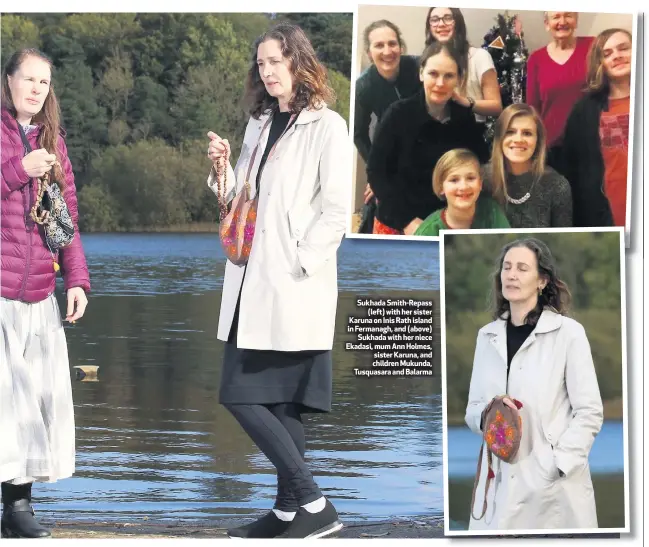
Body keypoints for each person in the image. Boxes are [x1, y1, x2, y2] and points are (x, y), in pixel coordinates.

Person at [204, 24, 348, 540]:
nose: (266, 72)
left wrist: (301, 262)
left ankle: (314, 501)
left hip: (293, 283)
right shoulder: (259, 124)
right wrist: (221, 168)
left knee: (243, 395)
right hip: (250, 281)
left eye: (275, 62)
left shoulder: (328, 126)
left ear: (298, 63)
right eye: (260, 63)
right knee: (276, 402)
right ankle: (289, 513)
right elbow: (235, 201)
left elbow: (337, 212)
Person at [1, 49, 90, 538]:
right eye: (28, 79)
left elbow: (65, 222)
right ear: (8, 81)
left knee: (34, 401)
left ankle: (18, 510)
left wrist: (75, 279)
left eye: (44, 82)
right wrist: (19, 169)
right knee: (4, 404)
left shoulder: (53, 143)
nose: (37, 88)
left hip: (38, 296)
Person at [465, 238, 603, 530]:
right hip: (498, 482)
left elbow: (589, 412)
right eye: (507, 267)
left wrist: (559, 464)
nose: (512, 275)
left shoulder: (569, 334)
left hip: (553, 490)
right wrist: (491, 412)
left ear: (542, 280)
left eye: (522, 268)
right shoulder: (486, 336)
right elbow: (473, 409)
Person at [366, 41, 489, 236]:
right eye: (433, 74)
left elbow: (480, 160)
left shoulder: (463, 116)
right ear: (421, 73)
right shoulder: (397, 114)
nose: (440, 83)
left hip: (443, 223)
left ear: (458, 79)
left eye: (449, 75)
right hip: (399, 220)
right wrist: (407, 221)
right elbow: (376, 173)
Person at [354, 20, 421, 234]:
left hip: (425, 144)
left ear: (401, 47)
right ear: (369, 52)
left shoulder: (419, 67)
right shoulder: (363, 86)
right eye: (379, 45)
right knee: (376, 199)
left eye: (392, 44)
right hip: (391, 149)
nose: (387, 51)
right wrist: (376, 174)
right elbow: (358, 134)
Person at [562, 28, 632, 228]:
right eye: (607, 53)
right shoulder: (583, 110)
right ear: (600, 63)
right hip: (609, 217)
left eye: (623, 48)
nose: (617, 56)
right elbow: (571, 169)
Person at [483, 103, 572, 228]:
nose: (518, 139)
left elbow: (564, 240)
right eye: (510, 132)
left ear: (538, 140)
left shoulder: (557, 185)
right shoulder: (481, 181)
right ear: (499, 138)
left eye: (527, 133)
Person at [526, 12, 594, 173]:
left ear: (576, 20)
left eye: (568, 16)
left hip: (591, 143)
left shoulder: (592, 46)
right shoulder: (536, 58)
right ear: (547, 23)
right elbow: (533, 107)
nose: (562, 22)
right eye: (556, 17)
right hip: (553, 148)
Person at [425, 7, 503, 130]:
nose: (441, 24)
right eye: (435, 19)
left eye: (448, 18)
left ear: (458, 23)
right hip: (436, 129)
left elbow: (496, 106)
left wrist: (465, 102)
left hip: (473, 131)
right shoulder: (428, 60)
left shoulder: (479, 56)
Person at [414, 148, 509, 236]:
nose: (463, 187)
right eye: (454, 180)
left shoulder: (492, 211)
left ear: (480, 183)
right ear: (441, 187)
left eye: (470, 178)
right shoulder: (427, 232)